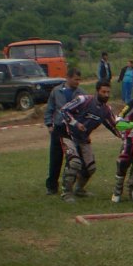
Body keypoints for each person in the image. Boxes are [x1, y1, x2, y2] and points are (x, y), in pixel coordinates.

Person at [58, 79, 122, 201]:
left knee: (90, 167)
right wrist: (76, 123)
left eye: (108, 92)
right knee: (74, 162)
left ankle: (79, 189)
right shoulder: (83, 100)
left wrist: (124, 136)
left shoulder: (106, 110)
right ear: (97, 91)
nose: (106, 95)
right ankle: (66, 192)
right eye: (104, 92)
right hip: (68, 134)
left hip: (83, 138)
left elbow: (113, 126)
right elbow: (63, 110)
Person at [44, 67, 84, 196]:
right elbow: (50, 109)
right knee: (55, 159)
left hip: (73, 131)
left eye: (79, 80)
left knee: (72, 159)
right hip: (59, 128)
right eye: (75, 79)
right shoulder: (56, 91)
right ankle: (51, 186)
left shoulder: (81, 93)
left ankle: (68, 186)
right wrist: (49, 124)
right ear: (68, 78)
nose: (77, 82)